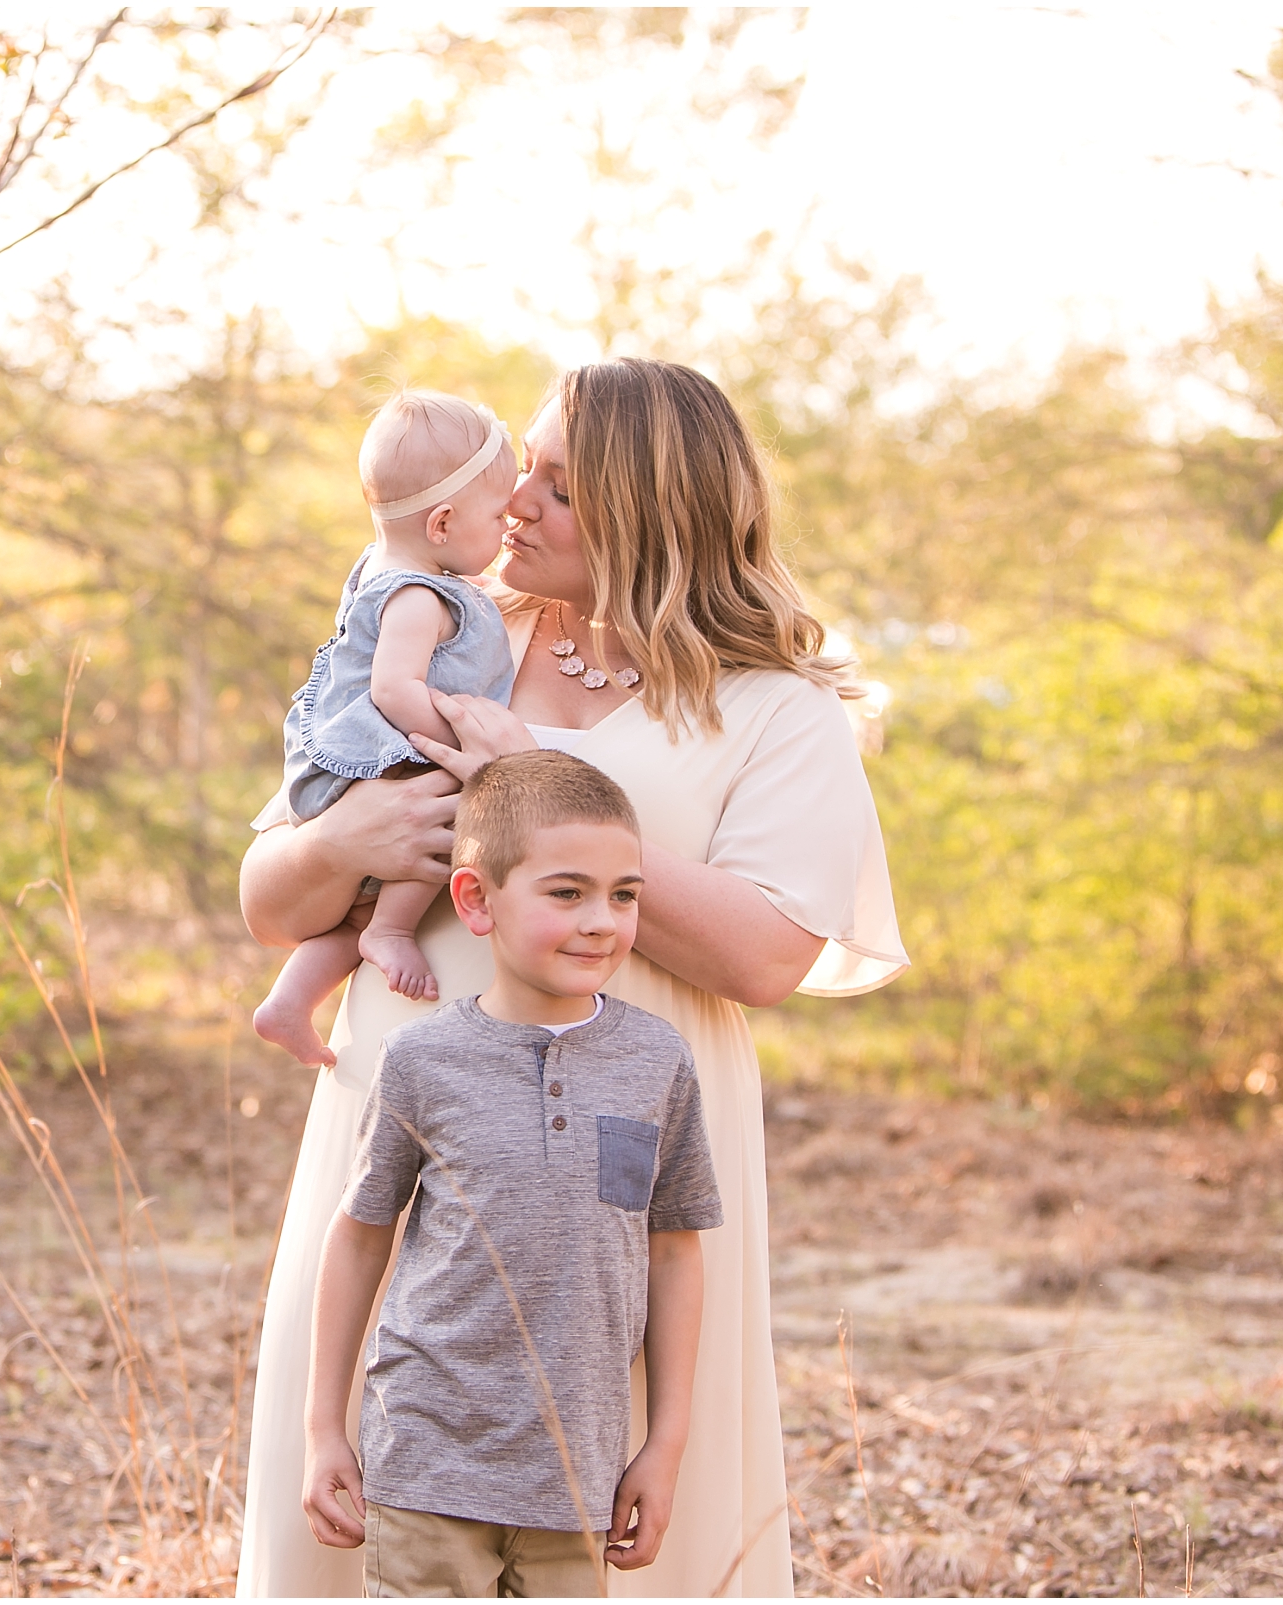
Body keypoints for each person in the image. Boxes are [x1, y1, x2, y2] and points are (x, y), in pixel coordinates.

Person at [236, 358, 909, 1598]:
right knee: (373, 1481)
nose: (516, 501)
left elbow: (767, 951)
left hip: (618, 1160)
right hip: (415, 1116)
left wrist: (535, 808)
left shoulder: (772, 707)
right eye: (524, 471)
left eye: (555, 481)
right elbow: (271, 900)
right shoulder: (445, 631)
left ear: (650, 510)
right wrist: (338, 845)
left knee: (613, 1493)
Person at [303, 751, 719, 1597]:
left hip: (578, 1476)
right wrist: (322, 1427)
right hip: (424, 1460)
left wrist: (664, 1443)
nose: (602, 920)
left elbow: (674, 1252)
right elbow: (358, 1237)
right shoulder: (422, 1060)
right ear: (476, 900)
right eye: (567, 892)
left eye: (624, 894)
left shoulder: (656, 1061)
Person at [252, 390, 519, 1068]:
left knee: (357, 915)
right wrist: (459, 743)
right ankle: (396, 930)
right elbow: (392, 688)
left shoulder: (383, 566)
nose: (510, 521)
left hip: (348, 759)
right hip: (383, 758)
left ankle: (290, 1000)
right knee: (440, 820)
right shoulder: (423, 595)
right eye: (498, 513)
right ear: (443, 523)